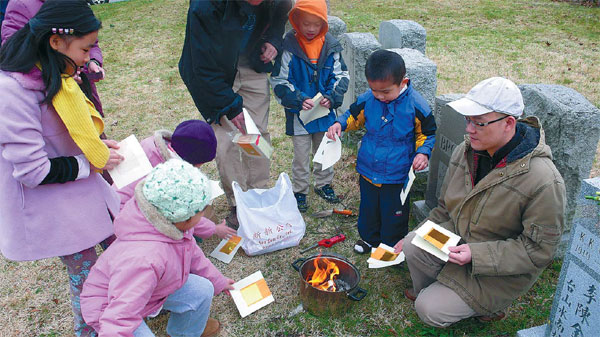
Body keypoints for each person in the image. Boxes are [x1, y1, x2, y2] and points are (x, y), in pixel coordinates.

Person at [394, 77, 566, 327]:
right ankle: (441, 289)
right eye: (468, 120)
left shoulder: (544, 180)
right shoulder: (465, 152)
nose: (469, 130)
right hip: (459, 242)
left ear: (509, 123)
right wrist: (418, 233)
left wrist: (477, 255)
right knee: (412, 243)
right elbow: (444, 209)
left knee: (429, 310)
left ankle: (481, 307)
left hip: (497, 269)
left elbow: (539, 251)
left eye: (479, 123)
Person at [0, 1, 123, 336]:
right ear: (56, 42)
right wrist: (90, 163)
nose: (89, 57)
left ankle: (131, 308)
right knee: (88, 279)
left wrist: (98, 148)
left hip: (82, 190)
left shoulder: (60, 74)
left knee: (124, 245)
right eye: (85, 49)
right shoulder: (14, 91)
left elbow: (70, 133)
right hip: (55, 208)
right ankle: (92, 329)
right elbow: (33, 171)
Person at [81, 159, 234, 337]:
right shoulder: (145, 259)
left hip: (150, 290)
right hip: (111, 307)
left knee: (202, 289)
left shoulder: (171, 225)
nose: (202, 218)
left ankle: (183, 333)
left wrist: (218, 280)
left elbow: (194, 255)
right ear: (184, 217)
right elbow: (118, 318)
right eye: (201, 212)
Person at [179, 0, 292, 228]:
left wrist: (273, 40)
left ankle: (258, 194)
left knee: (257, 132)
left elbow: (281, 12)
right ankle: (238, 202)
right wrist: (229, 106)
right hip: (213, 69)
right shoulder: (205, 7)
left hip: (250, 61)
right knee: (228, 139)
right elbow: (202, 66)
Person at [327, 50, 436, 253]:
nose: (379, 96)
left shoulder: (416, 105)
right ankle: (368, 239)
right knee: (369, 207)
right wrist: (340, 124)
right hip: (369, 167)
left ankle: (390, 246)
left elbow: (428, 133)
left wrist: (423, 152)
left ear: (403, 82)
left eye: (385, 92)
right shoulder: (369, 99)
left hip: (397, 173)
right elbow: (353, 116)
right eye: (374, 90)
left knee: (394, 211)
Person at [270, 0, 349, 212]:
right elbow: (279, 81)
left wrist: (332, 96)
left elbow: (341, 76)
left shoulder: (331, 46)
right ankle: (300, 190)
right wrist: (297, 99)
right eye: (305, 23)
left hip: (324, 112)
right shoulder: (289, 46)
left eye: (316, 24)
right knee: (301, 154)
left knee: (325, 149)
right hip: (300, 114)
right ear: (296, 21)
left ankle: (323, 184)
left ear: (324, 23)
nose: (311, 29)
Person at [115, 119, 236, 240]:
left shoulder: (152, 144)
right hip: (126, 217)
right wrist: (214, 229)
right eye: (200, 164)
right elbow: (183, 213)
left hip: (111, 201)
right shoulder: (170, 178)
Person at [2, 0, 107, 116]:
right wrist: (57, 75)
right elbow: (17, 50)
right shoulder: (21, 5)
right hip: (51, 95)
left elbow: (88, 38)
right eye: (85, 51)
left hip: (81, 88)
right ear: (55, 41)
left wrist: (92, 61)